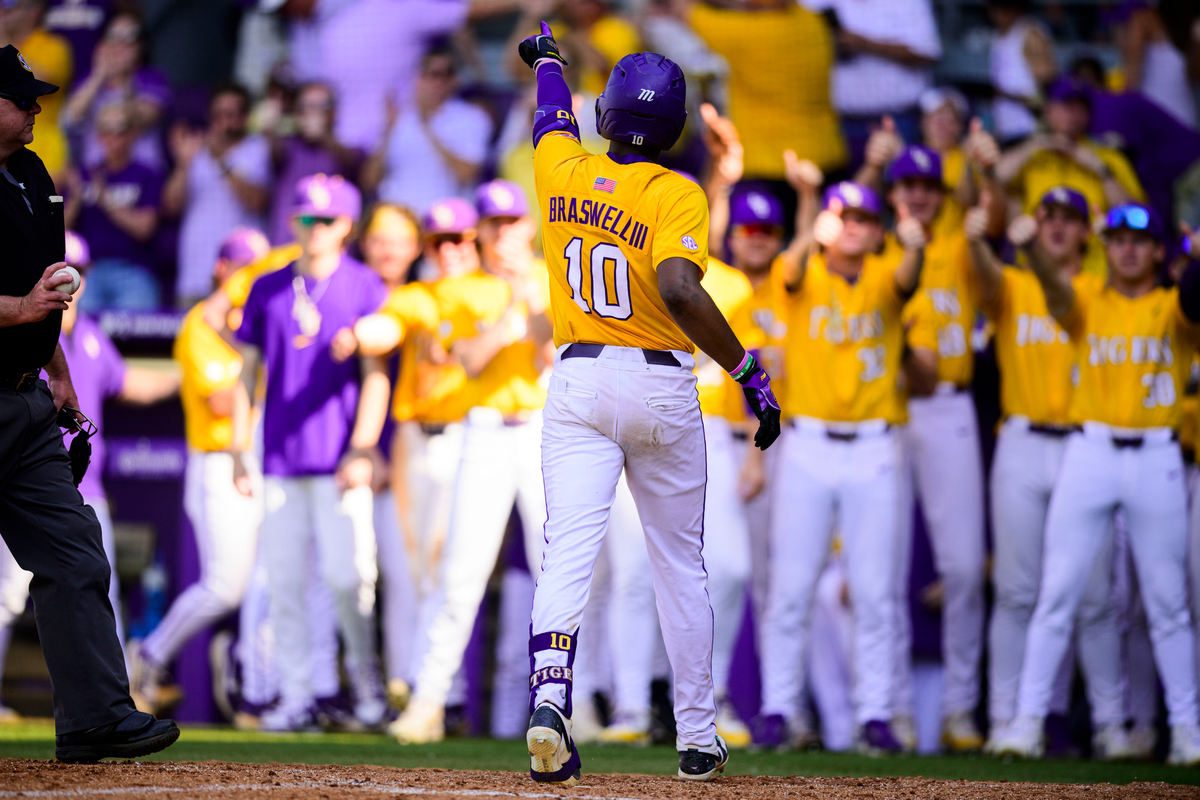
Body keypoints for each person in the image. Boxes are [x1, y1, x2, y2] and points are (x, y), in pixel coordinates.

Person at [517, 26, 780, 783]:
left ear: (607, 116)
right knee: (679, 566)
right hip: (662, 381)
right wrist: (746, 371)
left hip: (577, 377)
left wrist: (551, 62)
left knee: (566, 551)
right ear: (677, 127)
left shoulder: (560, 166)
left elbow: (551, 111)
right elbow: (676, 286)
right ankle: (697, 735)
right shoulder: (677, 191)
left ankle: (551, 698)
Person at [0, 43, 177, 762]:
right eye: (21, 98)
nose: (37, 106)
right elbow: (27, 296)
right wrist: (18, 310)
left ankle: (96, 716)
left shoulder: (33, 175)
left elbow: (43, 286)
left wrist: (59, 369)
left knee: (75, 552)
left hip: (23, 399)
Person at [995, 203, 1200, 766]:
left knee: (1167, 603)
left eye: (1140, 239)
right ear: (1104, 246)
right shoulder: (1087, 299)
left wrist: (1198, 262)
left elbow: (1195, 304)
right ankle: (1027, 723)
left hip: (1157, 452)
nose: (1128, 248)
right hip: (1090, 451)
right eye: (1117, 238)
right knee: (1057, 591)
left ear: (1160, 250)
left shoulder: (1170, 305)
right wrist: (1032, 246)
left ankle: (1187, 731)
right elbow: (1055, 297)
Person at [756, 177, 926, 754]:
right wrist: (809, 234)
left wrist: (916, 243)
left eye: (864, 218)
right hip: (808, 443)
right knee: (792, 585)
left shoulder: (886, 273)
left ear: (878, 231)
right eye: (844, 214)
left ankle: (876, 713)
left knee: (876, 590)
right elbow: (792, 272)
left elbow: (909, 278)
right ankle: (778, 708)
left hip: (876, 444)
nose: (853, 224)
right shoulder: (804, 268)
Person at [964, 187, 1130, 758]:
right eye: (1048, 217)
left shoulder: (1104, 290)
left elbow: (1063, 294)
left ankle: (1112, 725)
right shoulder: (1013, 283)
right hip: (1022, 440)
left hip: (1087, 446)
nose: (1058, 227)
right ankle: (1009, 721)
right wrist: (977, 234)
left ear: (1089, 232)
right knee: (1015, 591)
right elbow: (984, 278)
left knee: (1094, 595)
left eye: (1070, 219)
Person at [390, 180, 555, 744]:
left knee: (557, 571)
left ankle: (569, 707)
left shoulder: (553, 276)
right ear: (480, 232)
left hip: (542, 431)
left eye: (512, 223)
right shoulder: (462, 289)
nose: (504, 233)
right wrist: (515, 304)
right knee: (460, 573)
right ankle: (428, 702)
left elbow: (546, 354)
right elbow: (474, 360)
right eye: (494, 224)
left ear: (528, 227)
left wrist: (527, 300)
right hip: (483, 430)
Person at [232, 174, 390, 732]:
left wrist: (363, 447)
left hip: (339, 460)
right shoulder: (267, 286)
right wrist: (237, 445)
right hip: (278, 457)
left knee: (350, 581)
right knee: (285, 582)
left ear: (346, 226)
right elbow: (247, 371)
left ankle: (367, 681)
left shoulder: (366, 284)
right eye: (304, 217)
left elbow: (376, 376)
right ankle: (297, 694)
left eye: (323, 220)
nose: (312, 228)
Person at [129, 228, 271, 715]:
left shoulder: (252, 321)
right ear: (221, 267)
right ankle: (148, 656)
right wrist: (257, 348)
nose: (248, 280)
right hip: (217, 462)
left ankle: (255, 680)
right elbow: (224, 397)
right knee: (224, 585)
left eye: (257, 270)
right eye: (242, 268)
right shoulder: (199, 325)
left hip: (261, 458)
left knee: (266, 584)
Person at [885, 144, 996, 753]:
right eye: (909, 185)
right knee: (888, 566)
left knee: (961, 567)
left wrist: (984, 170)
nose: (920, 194)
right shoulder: (876, 249)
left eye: (930, 184)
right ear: (894, 194)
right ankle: (893, 709)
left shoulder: (959, 247)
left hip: (949, 404)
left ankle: (959, 709)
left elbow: (997, 220)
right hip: (890, 410)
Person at [996, 77, 1145, 277]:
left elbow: (1136, 216)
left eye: (1080, 107)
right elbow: (994, 177)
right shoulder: (1032, 155)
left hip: (1093, 276)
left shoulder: (1108, 157)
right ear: (1048, 111)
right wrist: (1037, 145)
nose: (1073, 114)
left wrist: (1100, 169)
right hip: (1034, 273)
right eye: (1066, 106)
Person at [683, 0, 845, 183]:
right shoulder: (813, 22)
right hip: (826, 156)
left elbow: (684, 9)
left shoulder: (745, 32)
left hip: (767, 166)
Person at [166, 83, 271, 309]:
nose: (224, 122)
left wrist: (220, 162)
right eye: (218, 115)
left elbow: (256, 201)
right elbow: (171, 206)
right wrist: (183, 165)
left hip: (243, 280)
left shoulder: (258, 148)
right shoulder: (195, 152)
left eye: (231, 115)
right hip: (194, 277)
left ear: (245, 117)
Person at [814, 0, 941, 172]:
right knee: (846, 195)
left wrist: (865, 44)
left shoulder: (909, 3)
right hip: (839, 123)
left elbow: (928, 52)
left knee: (906, 190)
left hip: (900, 120)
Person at [363, 47, 492, 214]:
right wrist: (388, 132)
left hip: (446, 222)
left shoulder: (473, 118)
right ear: (418, 79)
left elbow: (465, 174)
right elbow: (369, 182)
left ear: (455, 79)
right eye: (433, 74)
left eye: (446, 74)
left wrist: (426, 126)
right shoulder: (397, 118)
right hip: (400, 223)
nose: (439, 81)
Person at [63, 102, 162, 311]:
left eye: (121, 129)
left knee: (137, 335)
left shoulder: (146, 174)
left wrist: (106, 201)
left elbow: (145, 229)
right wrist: (74, 200)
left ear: (132, 134)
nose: (114, 137)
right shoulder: (84, 175)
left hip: (133, 271)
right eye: (107, 130)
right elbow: (61, 230)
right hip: (89, 271)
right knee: (75, 325)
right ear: (99, 136)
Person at [61, 10, 170, 171]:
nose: (120, 45)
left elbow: (140, 120)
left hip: (143, 177)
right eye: (113, 36)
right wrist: (99, 75)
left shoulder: (153, 78)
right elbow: (70, 120)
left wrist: (125, 79)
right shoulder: (89, 80)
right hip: (95, 174)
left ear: (141, 46)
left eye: (129, 38)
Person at [266, 81, 363, 246]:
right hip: (286, 248)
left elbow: (356, 168)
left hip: (331, 253)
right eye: (307, 106)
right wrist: (271, 125)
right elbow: (273, 152)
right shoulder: (287, 147)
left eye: (320, 106)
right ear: (297, 112)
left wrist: (324, 136)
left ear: (333, 112)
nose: (312, 112)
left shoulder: (348, 151)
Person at [0, 0, 71, 177]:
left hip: (45, 141)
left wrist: (3, 40)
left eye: (9, 7)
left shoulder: (54, 45)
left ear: (34, 11)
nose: (3, 12)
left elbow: (40, 78)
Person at [1109, 0, 1196, 129]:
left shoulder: (1144, 19)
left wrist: (1124, 115)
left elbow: (1133, 73)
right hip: (1182, 116)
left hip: (1159, 116)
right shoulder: (1146, 18)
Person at [985, 0, 1055, 145]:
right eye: (996, 7)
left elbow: (1048, 83)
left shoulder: (1029, 33)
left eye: (1006, 6)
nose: (1001, 12)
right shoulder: (998, 35)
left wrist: (1007, 95)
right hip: (1005, 126)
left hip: (1029, 128)